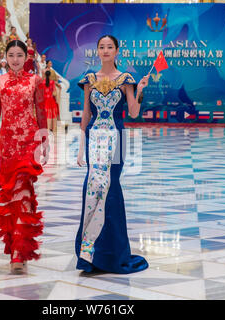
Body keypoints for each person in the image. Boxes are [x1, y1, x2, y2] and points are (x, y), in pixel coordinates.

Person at [0, 40, 48, 274]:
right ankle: (14, 245)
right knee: (11, 194)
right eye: (11, 55)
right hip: (7, 144)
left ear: (27, 57)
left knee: (24, 191)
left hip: (29, 142)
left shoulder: (36, 81)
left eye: (19, 55)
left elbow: (41, 113)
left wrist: (44, 142)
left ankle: (19, 253)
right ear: (5, 57)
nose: (15, 59)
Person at [75, 35, 150, 274]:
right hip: (93, 138)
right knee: (92, 187)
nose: (105, 50)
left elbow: (134, 112)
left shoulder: (125, 79)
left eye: (110, 47)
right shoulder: (89, 79)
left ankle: (113, 253)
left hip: (116, 139)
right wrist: (80, 147)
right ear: (97, 51)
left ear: (117, 51)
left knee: (111, 189)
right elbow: (86, 115)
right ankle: (90, 254)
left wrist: (140, 91)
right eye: (101, 47)